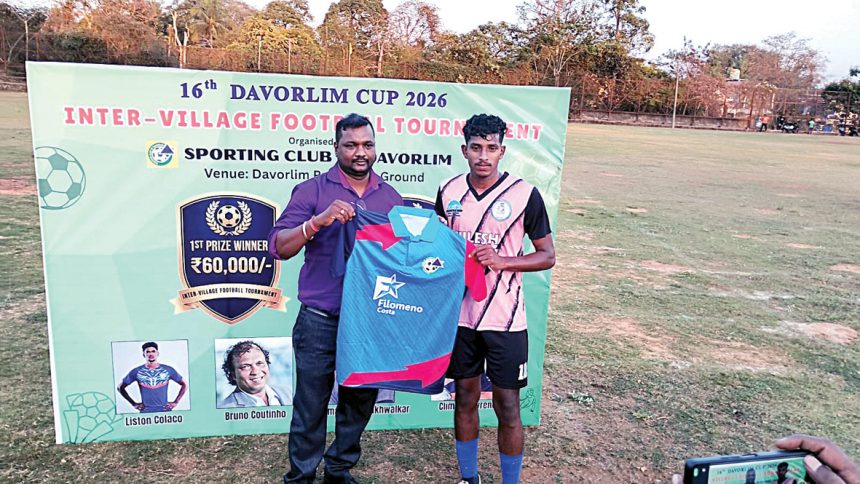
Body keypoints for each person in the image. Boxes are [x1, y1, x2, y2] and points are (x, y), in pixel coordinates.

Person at [268, 113, 403, 484]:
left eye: (367, 144)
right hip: (320, 319)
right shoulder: (312, 191)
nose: (360, 152)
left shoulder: (390, 197)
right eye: (351, 145)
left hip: (369, 321)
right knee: (310, 405)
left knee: (359, 402)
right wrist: (316, 222)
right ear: (336, 147)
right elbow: (278, 247)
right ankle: (301, 476)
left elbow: (403, 256)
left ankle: (339, 469)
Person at [435, 114, 556, 484]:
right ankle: (468, 478)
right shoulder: (448, 191)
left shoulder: (524, 194)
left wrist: (504, 260)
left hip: (506, 318)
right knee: (464, 397)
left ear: (502, 151)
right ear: (464, 150)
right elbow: (439, 246)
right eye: (476, 148)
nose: (483, 155)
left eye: (491, 148)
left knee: (507, 406)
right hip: (461, 317)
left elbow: (547, 255)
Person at [117, 342, 188, 413]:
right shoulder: (137, 371)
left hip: (165, 411)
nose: (151, 354)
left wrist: (176, 402)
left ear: (157, 353)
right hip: (146, 412)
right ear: (144, 354)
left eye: (153, 351)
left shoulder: (168, 370)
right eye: (148, 352)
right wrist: (134, 404)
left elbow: (184, 384)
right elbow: (120, 387)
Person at [219, 340, 292, 408]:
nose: (255, 371)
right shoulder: (225, 408)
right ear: (233, 375)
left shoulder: (289, 393)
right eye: (246, 366)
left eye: (259, 363)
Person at [775, 434, 860, 484]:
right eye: (780, 470)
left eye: (783, 470)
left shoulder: (793, 481)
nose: (782, 472)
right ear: (777, 472)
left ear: (787, 471)